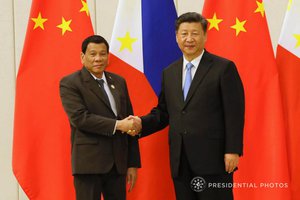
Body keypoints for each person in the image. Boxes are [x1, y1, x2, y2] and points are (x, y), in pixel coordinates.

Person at [129, 12, 244, 200]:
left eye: (195, 33)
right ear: (176, 37)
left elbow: (234, 113)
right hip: (180, 160)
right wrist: (140, 123)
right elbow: (164, 112)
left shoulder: (223, 68)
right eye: (184, 34)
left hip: (213, 160)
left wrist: (233, 150)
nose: (189, 39)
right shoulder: (169, 72)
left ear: (205, 36)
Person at [59, 35, 141, 200]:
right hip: (89, 164)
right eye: (93, 54)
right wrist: (118, 125)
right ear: (83, 57)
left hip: (118, 164)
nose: (98, 58)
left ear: (108, 56)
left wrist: (132, 163)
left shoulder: (119, 82)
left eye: (103, 54)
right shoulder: (70, 83)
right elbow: (80, 118)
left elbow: (128, 121)